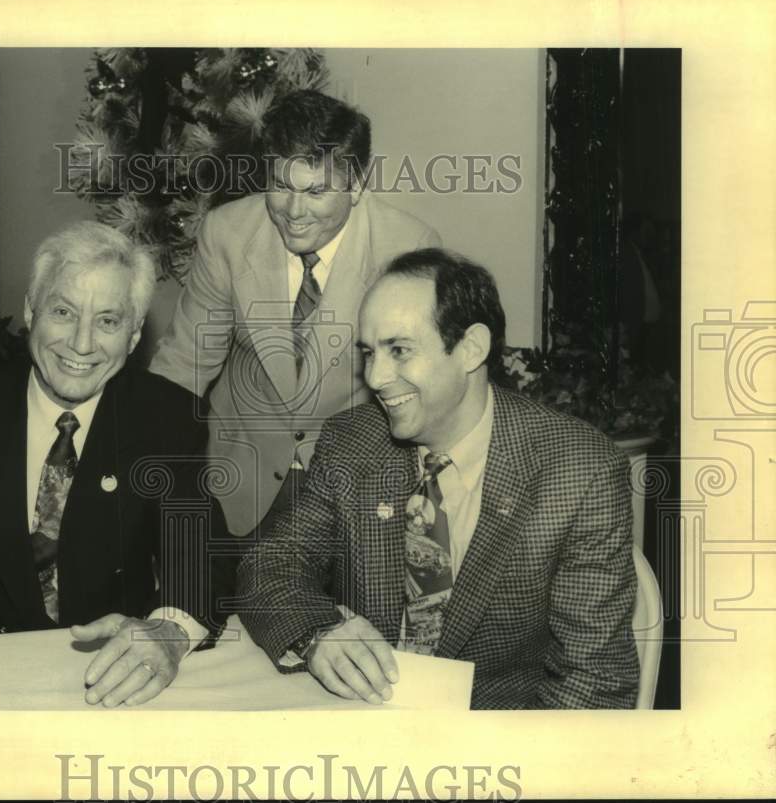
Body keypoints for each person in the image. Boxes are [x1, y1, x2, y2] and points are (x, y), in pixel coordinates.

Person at [237, 248, 640, 709]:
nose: (376, 376)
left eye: (400, 350)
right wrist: (317, 634)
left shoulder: (577, 470)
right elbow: (270, 563)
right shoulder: (352, 441)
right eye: (369, 353)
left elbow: (593, 683)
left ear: (471, 349)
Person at [0, 221, 232, 708]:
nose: (81, 345)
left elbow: (203, 555)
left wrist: (169, 631)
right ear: (31, 311)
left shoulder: (165, 419)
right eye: (63, 312)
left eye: (108, 321)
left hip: (109, 679)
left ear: (135, 333)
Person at [149, 89, 442, 537]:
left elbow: (422, 388)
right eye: (281, 186)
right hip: (239, 479)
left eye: (317, 191)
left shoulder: (409, 248)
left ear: (357, 184)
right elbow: (183, 363)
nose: (294, 211)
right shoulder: (227, 232)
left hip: (358, 485)